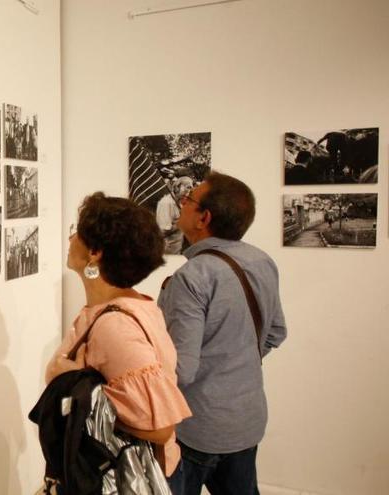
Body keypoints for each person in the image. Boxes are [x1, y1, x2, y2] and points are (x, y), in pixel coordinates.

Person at [159, 172, 287, 495]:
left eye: (188, 199)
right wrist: (233, 359)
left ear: (204, 218)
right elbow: (276, 332)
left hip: (198, 427)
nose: (181, 203)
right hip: (247, 418)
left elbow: (180, 370)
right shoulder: (262, 261)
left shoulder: (192, 277)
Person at [46, 193, 191, 478]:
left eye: (77, 232)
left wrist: (79, 392)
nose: (70, 239)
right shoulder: (124, 306)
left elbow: (160, 429)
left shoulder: (115, 327)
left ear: (95, 252)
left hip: (127, 476)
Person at [155, 176, 193, 255]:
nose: (190, 191)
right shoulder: (166, 203)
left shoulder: (179, 202)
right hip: (166, 253)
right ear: (177, 187)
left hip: (176, 251)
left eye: (191, 188)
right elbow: (162, 232)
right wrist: (182, 223)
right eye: (188, 187)